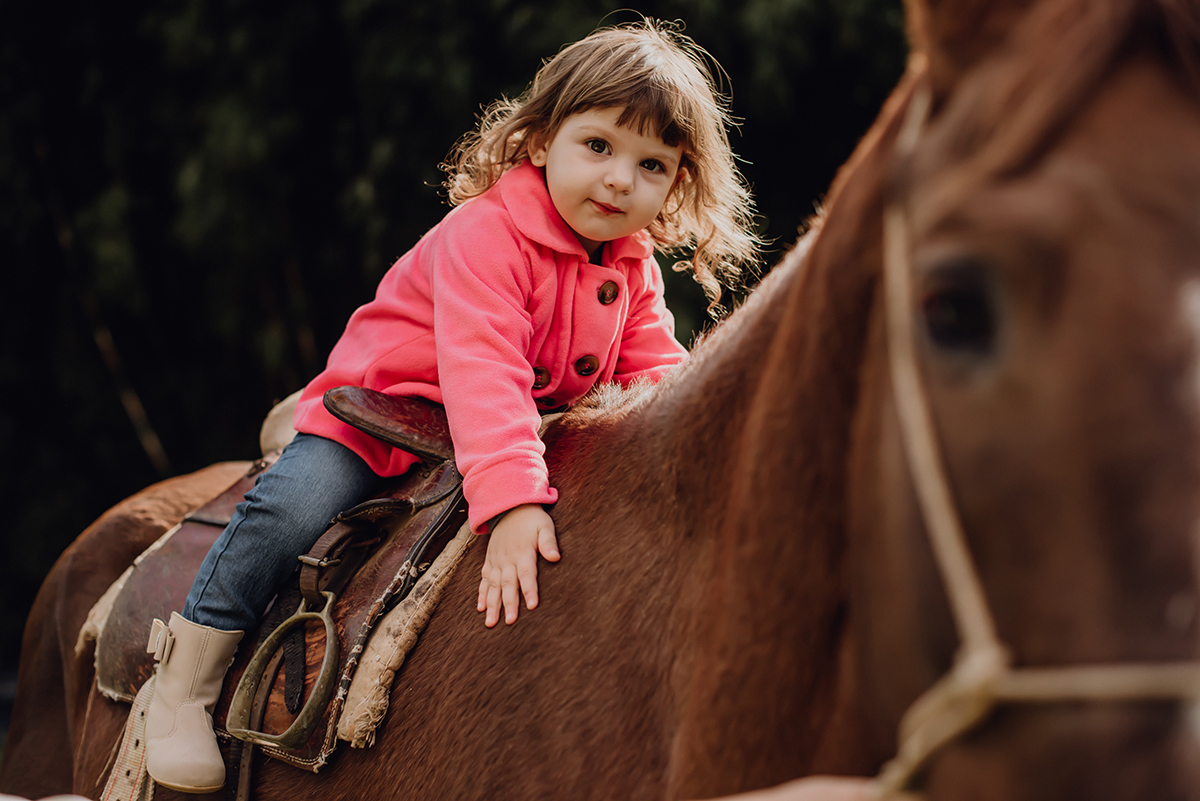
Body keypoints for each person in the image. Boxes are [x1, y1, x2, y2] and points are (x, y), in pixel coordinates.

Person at [140, 18, 760, 794]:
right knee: (294, 508)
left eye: (651, 164)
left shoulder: (630, 268)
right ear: (540, 142)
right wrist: (510, 508)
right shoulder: (486, 234)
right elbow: (483, 370)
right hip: (391, 414)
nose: (618, 179)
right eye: (597, 146)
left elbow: (654, 381)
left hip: (506, 427)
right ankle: (185, 682)